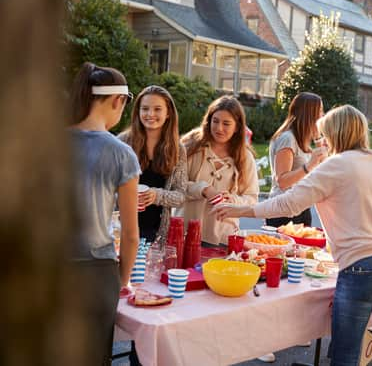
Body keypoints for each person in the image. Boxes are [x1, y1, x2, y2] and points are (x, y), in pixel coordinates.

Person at [214, 105, 372, 366]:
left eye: (324, 135)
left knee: (345, 356)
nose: (321, 141)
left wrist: (241, 209)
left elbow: (287, 204)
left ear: (334, 134)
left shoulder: (335, 165)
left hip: (361, 265)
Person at [68, 62, 140, 365]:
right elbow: (130, 233)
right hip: (95, 273)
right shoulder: (121, 153)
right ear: (117, 101)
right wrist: (123, 280)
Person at [180, 95, 258, 245]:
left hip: (223, 238)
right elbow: (175, 185)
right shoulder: (190, 147)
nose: (219, 128)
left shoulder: (245, 157)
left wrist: (233, 200)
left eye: (226, 123)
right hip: (185, 233)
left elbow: (252, 198)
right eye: (215, 121)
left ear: (237, 127)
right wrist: (203, 189)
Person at [119, 86, 187, 244]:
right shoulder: (122, 143)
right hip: (122, 229)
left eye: (157, 109)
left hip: (157, 234)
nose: (150, 114)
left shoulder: (178, 149)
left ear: (168, 113)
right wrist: (126, 195)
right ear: (138, 112)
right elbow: (107, 189)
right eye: (145, 109)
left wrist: (156, 195)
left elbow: (181, 195)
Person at [266, 92, 327, 227]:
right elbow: (282, 181)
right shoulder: (288, 139)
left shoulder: (302, 140)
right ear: (309, 114)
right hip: (283, 211)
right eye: (320, 111)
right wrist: (309, 165)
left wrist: (318, 140)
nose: (323, 115)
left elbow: (323, 167)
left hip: (300, 207)